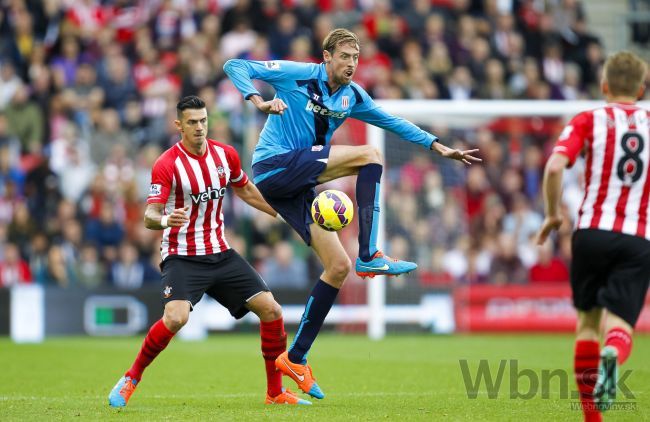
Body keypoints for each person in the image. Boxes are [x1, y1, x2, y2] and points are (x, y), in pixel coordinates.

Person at [223, 28, 481, 399]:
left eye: (356, 58)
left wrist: (437, 146)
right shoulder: (296, 73)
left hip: (297, 186)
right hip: (273, 167)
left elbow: (392, 121)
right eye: (344, 56)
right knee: (369, 155)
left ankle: (296, 357)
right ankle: (370, 253)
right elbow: (236, 65)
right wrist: (256, 100)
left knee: (337, 267)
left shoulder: (352, 96)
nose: (351, 64)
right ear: (326, 57)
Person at [108, 96, 311, 407]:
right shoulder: (166, 164)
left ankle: (275, 393)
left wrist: (280, 213)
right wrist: (165, 219)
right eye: (192, 122)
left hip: (220, 252)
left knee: (272, 310)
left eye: (203, 120)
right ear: (179, 125)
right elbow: (150, 215)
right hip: (182, 255)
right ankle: (131, 378)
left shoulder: (224, 155)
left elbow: (243, 188)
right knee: (176, 318)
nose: (199, 127)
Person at [536, 51, 650, 422]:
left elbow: (555, 166)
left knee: (587, 323)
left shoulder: (589, 119)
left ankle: (591, 419)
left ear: (604, 86)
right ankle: (614, 352)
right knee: (619, 325)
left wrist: (553, 214)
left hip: (590, 232)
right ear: (643, 88)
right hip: (637, 236)